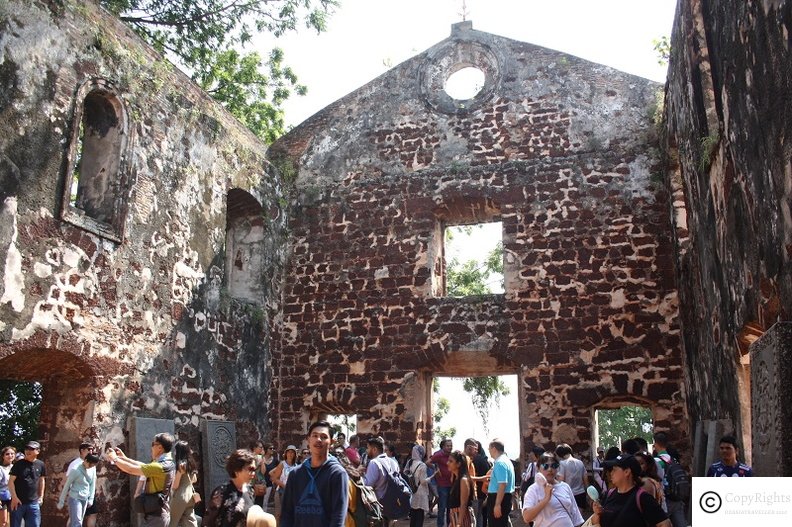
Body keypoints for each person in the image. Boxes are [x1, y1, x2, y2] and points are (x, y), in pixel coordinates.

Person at [280, 420, 349, 527]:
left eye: (324, 436)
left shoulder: (337, 474)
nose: (318, 440)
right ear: (308, 440)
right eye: (315, 435)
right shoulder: (295, 474)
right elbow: (286, 514)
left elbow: (338, 517)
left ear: (331, 442)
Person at [106, 433, 176, 527]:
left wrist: (114, 459)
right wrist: (124, 459)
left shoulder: (160, 466)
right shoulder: (165, 463)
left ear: (159, 447)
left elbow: (131, 469)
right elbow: (142, 466)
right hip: (157, 513)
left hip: (156, 516)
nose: (151, 447)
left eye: (153, 444)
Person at [591, 455, 670, 527]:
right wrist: (598, 513)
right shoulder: (609, 494)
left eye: (614, 470)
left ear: (627, 472)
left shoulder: (642, 498)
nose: (611, 473)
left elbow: (665, 523)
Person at [203, 449, 275, 527]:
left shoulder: (250, 491)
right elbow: (207, 522)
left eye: (254, 470)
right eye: (250, 469)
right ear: (237, 470)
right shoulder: (221, 492)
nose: (253, 473)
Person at [521, 452, 584, 527]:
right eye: (545, 466)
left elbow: (576, 517)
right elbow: (526, 517)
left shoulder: (565, 487)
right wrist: (546, 499)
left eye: (554, 466)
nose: (550, 469)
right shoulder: (533, 489)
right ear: (538, 469)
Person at [363, 436, 400, 525]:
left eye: (368, 448)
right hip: (393, 504)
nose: (367, 451)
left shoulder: (374, 463)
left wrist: (361, 475)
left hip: (379, 507)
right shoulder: (393, 462)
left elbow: (367, 485)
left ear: (374, 449)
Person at [8, 440, 46, 527]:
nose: (28, 451)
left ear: (38, 451)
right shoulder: (18, 464)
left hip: (33, 502)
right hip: (18, 503)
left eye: (31, 449)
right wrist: (14, 498)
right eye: (27, 448)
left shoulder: (41, 464)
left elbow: (42, 480)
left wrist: (41, 497)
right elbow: (10, 482)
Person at [58, 453, 99, 527]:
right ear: (86, 460)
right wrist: (61, 501)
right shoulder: (75, 469)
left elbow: (92, 484)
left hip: (85, 498)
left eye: (93, 465)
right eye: (90, 465)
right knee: (77, 523)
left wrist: (91, 499)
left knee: (76, 521)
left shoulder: (92, 469)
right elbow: (67, 485)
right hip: (75, 498)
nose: (90, 467)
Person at [65, 442, 98, 527]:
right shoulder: (75, 464)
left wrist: (91, 496)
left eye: (92, 449)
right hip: (77, 494)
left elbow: (93, 480)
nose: (91, 451)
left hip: (88, 493)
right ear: (82, 450)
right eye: (89, 449)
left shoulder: (92, 464)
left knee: (92, 514)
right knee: (75, 517)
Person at [169, 440, 199, 527]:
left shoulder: (180, 465)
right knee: (190, 522)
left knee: (171, 522)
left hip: (180, 497)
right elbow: (194, 480)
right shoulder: (191, 463)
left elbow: (175, 485)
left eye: (175, 450)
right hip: (190, 496)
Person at [486, 439, 514, 527]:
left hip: (498, 498)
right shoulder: (506, 461)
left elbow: (502, 484)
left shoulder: (500, 463)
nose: (489, 451)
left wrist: (497, 504)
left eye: (489, 449)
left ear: (494, 448)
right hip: (503, 497)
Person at [269, 444, 298, 521]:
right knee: (279, 514)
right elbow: (274, 478)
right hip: (281, 492)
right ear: (286, 453)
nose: (290, 454)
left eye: (292, 452)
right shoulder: (282, 464)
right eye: (289, 452)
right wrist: (285, 486)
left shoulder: (296, 466)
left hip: (292, 493)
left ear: (295, 454)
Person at [555, 444, 588, 511]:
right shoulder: (580, 463)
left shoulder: (562, 463)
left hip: (568, 494)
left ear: (560, 455)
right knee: (580, 519)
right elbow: (586, 481)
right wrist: (588, 496)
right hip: (581, 494)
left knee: (569, 519)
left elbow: (560, 481)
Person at [447, 451, 475, 527]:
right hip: (455, 515)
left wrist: (459, 523)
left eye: (451, 461)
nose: (447, 463)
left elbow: (464, 504)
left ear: (458, 464)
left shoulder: (463, 480)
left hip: (462, 517)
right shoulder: (456, 479)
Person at [405, 445, 431, 527]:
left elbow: (405, 472)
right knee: (420, 516)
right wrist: (431, 477)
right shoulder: (422, 465)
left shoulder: (410, 462)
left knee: (413, 516)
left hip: (412, 490)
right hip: (421, 492)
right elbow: (423, 481)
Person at [430, 438, 453, 527]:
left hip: (451, 484)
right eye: (448, 446)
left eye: (451, 446)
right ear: (443, 446)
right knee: (442, 508)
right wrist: (436, 469)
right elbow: (428, 462)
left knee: (450, 508)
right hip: (442, 484)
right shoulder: (439, 455)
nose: (450, 447)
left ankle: (449, 524)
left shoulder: (452, 455)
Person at [471, 441, 491, 527]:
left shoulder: (472, 461)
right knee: (479, 516)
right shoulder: (484, 460)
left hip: (475, 492)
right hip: (482, 492)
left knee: (474, 516)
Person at [258, 444, 277, 512]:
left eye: (273, 448)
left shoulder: (275, 460)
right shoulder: (260, 458)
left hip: (269, 483)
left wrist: (275, 479)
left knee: (265, 502)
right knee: (258, 501)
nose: (272, 450)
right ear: (266, 449)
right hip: (259, 483)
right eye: (270, 448)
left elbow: (278, 470)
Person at [1, 447, 17, 527]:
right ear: (3, 456)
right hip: (2, 498)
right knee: (3, 521)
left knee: (13, 521)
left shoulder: (17, 467)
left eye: (12, 454)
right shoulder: (1, 469)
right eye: (7, 454)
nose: (10, 456)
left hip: (14, 498)